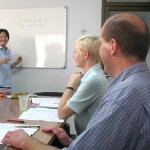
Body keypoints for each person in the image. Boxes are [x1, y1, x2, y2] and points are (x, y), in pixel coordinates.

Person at [2, 12, 150, 150]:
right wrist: (73, 142)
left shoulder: (120, 99)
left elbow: (63, 115)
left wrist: (27, 142)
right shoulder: (139, 83)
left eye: (101, 42)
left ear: (112, 46)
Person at [58, 35, 108, 135]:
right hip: (84, 139)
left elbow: (62, 114)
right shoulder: (94, 75)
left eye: (75, 52)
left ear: (85, 54)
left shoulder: (93, 80)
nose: (73, 56)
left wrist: (70, 86)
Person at [0, 29, 22, 95]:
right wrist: (1, 62)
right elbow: (2, 63)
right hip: (0, 86)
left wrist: (16, 62)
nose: (3, 38)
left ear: (8, 39)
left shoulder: (8, 51)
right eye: (0, 37)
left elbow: (8, 67)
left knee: (7, 105)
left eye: (5, 37)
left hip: (8, 85)